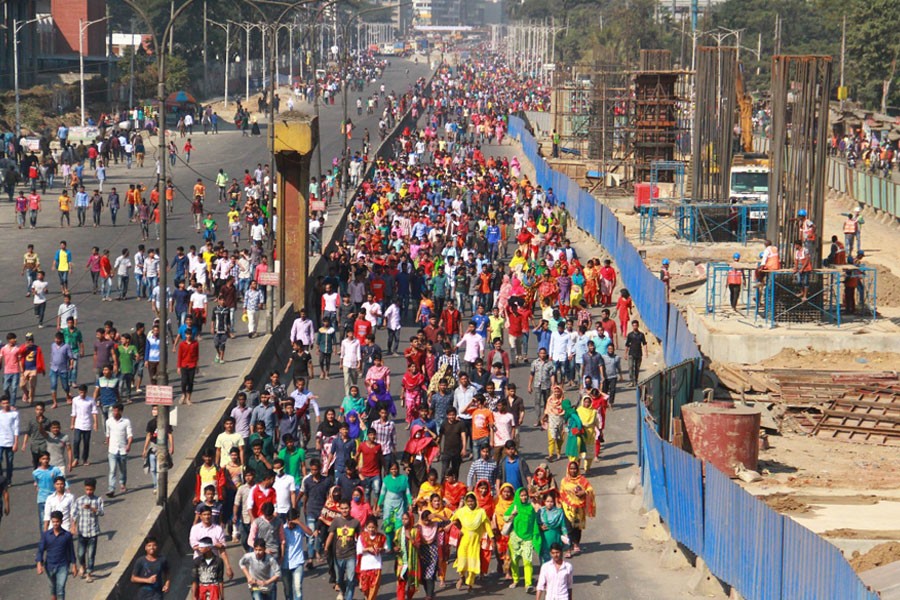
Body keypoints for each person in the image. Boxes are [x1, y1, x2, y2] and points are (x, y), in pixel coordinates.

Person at [451, 492, 494, 592]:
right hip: (464, 541)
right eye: (468, 501)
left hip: (475, 542)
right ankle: (461, 577)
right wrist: (457, 530)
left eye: (472, 501)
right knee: (462, 561)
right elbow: (452, 520)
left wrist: (492, 537)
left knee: (472, 563)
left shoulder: (481, 512)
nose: (470, 503)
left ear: (475, 501)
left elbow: (487, 525)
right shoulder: (461, 511)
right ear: (466, 502)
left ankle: (470, 584)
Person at [505, 487, 541, 592]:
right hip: (515, 538)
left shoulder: (530, 508)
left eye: (525, 495)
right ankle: (515, 580)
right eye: (522, 495)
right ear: (518, 497)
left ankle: (528, 583)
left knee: (527, 561)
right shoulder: (514, 506)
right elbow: (505, 517)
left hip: (528, 538)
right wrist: (513, 514)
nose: (524, 497)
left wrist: (535, 536)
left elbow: (534, 522)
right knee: (514, 561)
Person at [36, 510, 77, 600]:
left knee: (61, 589)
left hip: (63, 566)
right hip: (50, 565)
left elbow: (71, 550)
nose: (55, 524)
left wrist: (74, 565)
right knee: (53, 587)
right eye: (53, 522)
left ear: (61, 522)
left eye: (57, 521)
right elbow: (40, 550)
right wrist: (39, 564)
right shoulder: (46, 535)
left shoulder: (67, 535)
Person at [325, 499, 361, 600]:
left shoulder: (355, 522)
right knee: (339, 579)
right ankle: (342, 591)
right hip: (338, 555)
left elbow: (361, 537)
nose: (344, 510)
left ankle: (349, 598)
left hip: (351, 555)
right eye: (342, 508)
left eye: (346, 508)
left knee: (350, 579)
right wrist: (326, 548)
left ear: (350, 508)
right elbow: (331, 535)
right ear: (339, 509)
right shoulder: (336, 521)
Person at [558, 461, 595, 556]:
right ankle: (568, 549)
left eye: (574, 468)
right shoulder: (564, 481)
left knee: (578, 528)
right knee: (568, 528)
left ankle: (576, 543)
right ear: (568, 469)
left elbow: (590, 489)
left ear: (578, 469)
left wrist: (584, 493)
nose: (573, 470)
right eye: (571, 468)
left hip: (579, 508)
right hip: (567, 508)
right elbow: (561, 493)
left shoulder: (582, 480)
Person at [73, 477, 104, 582]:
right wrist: (73, 526)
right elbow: (74, 514)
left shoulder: (98, 500)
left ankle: (89, 573)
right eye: (87, 489)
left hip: (93, 532)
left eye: (90, 489)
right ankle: (82, 565)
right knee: (80, 553)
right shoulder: (79, 500)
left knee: (91, 554)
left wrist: (92, 508)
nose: (89, 492)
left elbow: (101, 512)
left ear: (94, 489)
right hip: (82, 531)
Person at [105, 403, 133, 497]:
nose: (115, 412)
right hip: (112, 450)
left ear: (121, 411)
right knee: (112, 470)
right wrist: (108, 446)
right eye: (114, 410)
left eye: (116, 410)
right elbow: (108, 435)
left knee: (122, 469)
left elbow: (129, 435)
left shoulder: (126, 422)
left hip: (122, 450)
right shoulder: (109, 422)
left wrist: (128, 445)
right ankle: (111, 489)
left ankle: (122, 483)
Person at [0, 395, 19, 483]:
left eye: (7, 403)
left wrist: (16, 443)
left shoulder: (14, 414)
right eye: (4, 403)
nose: (6, 405)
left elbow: (16, 429)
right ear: (1, 404)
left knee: (9, 462)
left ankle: (8, 479)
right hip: (0, 442)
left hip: (10, 442)